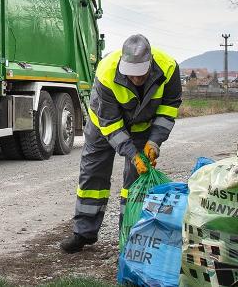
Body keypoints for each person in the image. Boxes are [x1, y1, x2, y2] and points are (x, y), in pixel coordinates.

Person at [60, 34, 182, 253]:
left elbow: (168, 109)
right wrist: (132, 154)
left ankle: (130, 236)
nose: (135, 79)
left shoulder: (169, 68)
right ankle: (83, 233)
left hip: (142, 129)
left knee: (136, 182)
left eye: (140, 75)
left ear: (150, 63)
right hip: (103, 127)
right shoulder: (106, 71)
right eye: (131, 75)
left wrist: (154, 142)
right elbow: (111, 124)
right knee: (93, 175)